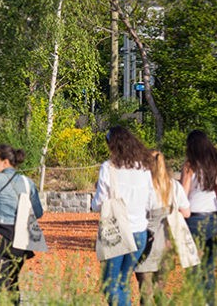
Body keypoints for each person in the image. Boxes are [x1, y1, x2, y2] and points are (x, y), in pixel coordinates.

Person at [91, 126, 156, 306]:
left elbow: (99, 203)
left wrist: (93, 204)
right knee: (124, 282)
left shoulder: (108, 167)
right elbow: (152, 201)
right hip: (140, 232)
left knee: (109, 284)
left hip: (117, 231)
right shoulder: (144, 167)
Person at [0, 144, 43, 296]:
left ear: (5, 162)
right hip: (21, 241)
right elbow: (38, 212)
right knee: (12, 283)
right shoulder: (27, 182)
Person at [180, 130, 217, 306]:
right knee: (209, 266)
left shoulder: (190, 166)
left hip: (195, 219)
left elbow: (183, 194)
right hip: (216, 218)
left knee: (193, 266)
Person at [135, 149, 191, 305]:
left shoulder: (141, 187)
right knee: (160, 288)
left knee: (145, 292)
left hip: (145, 242)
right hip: (166, 243)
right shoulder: (173, 186)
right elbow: (186, 212)